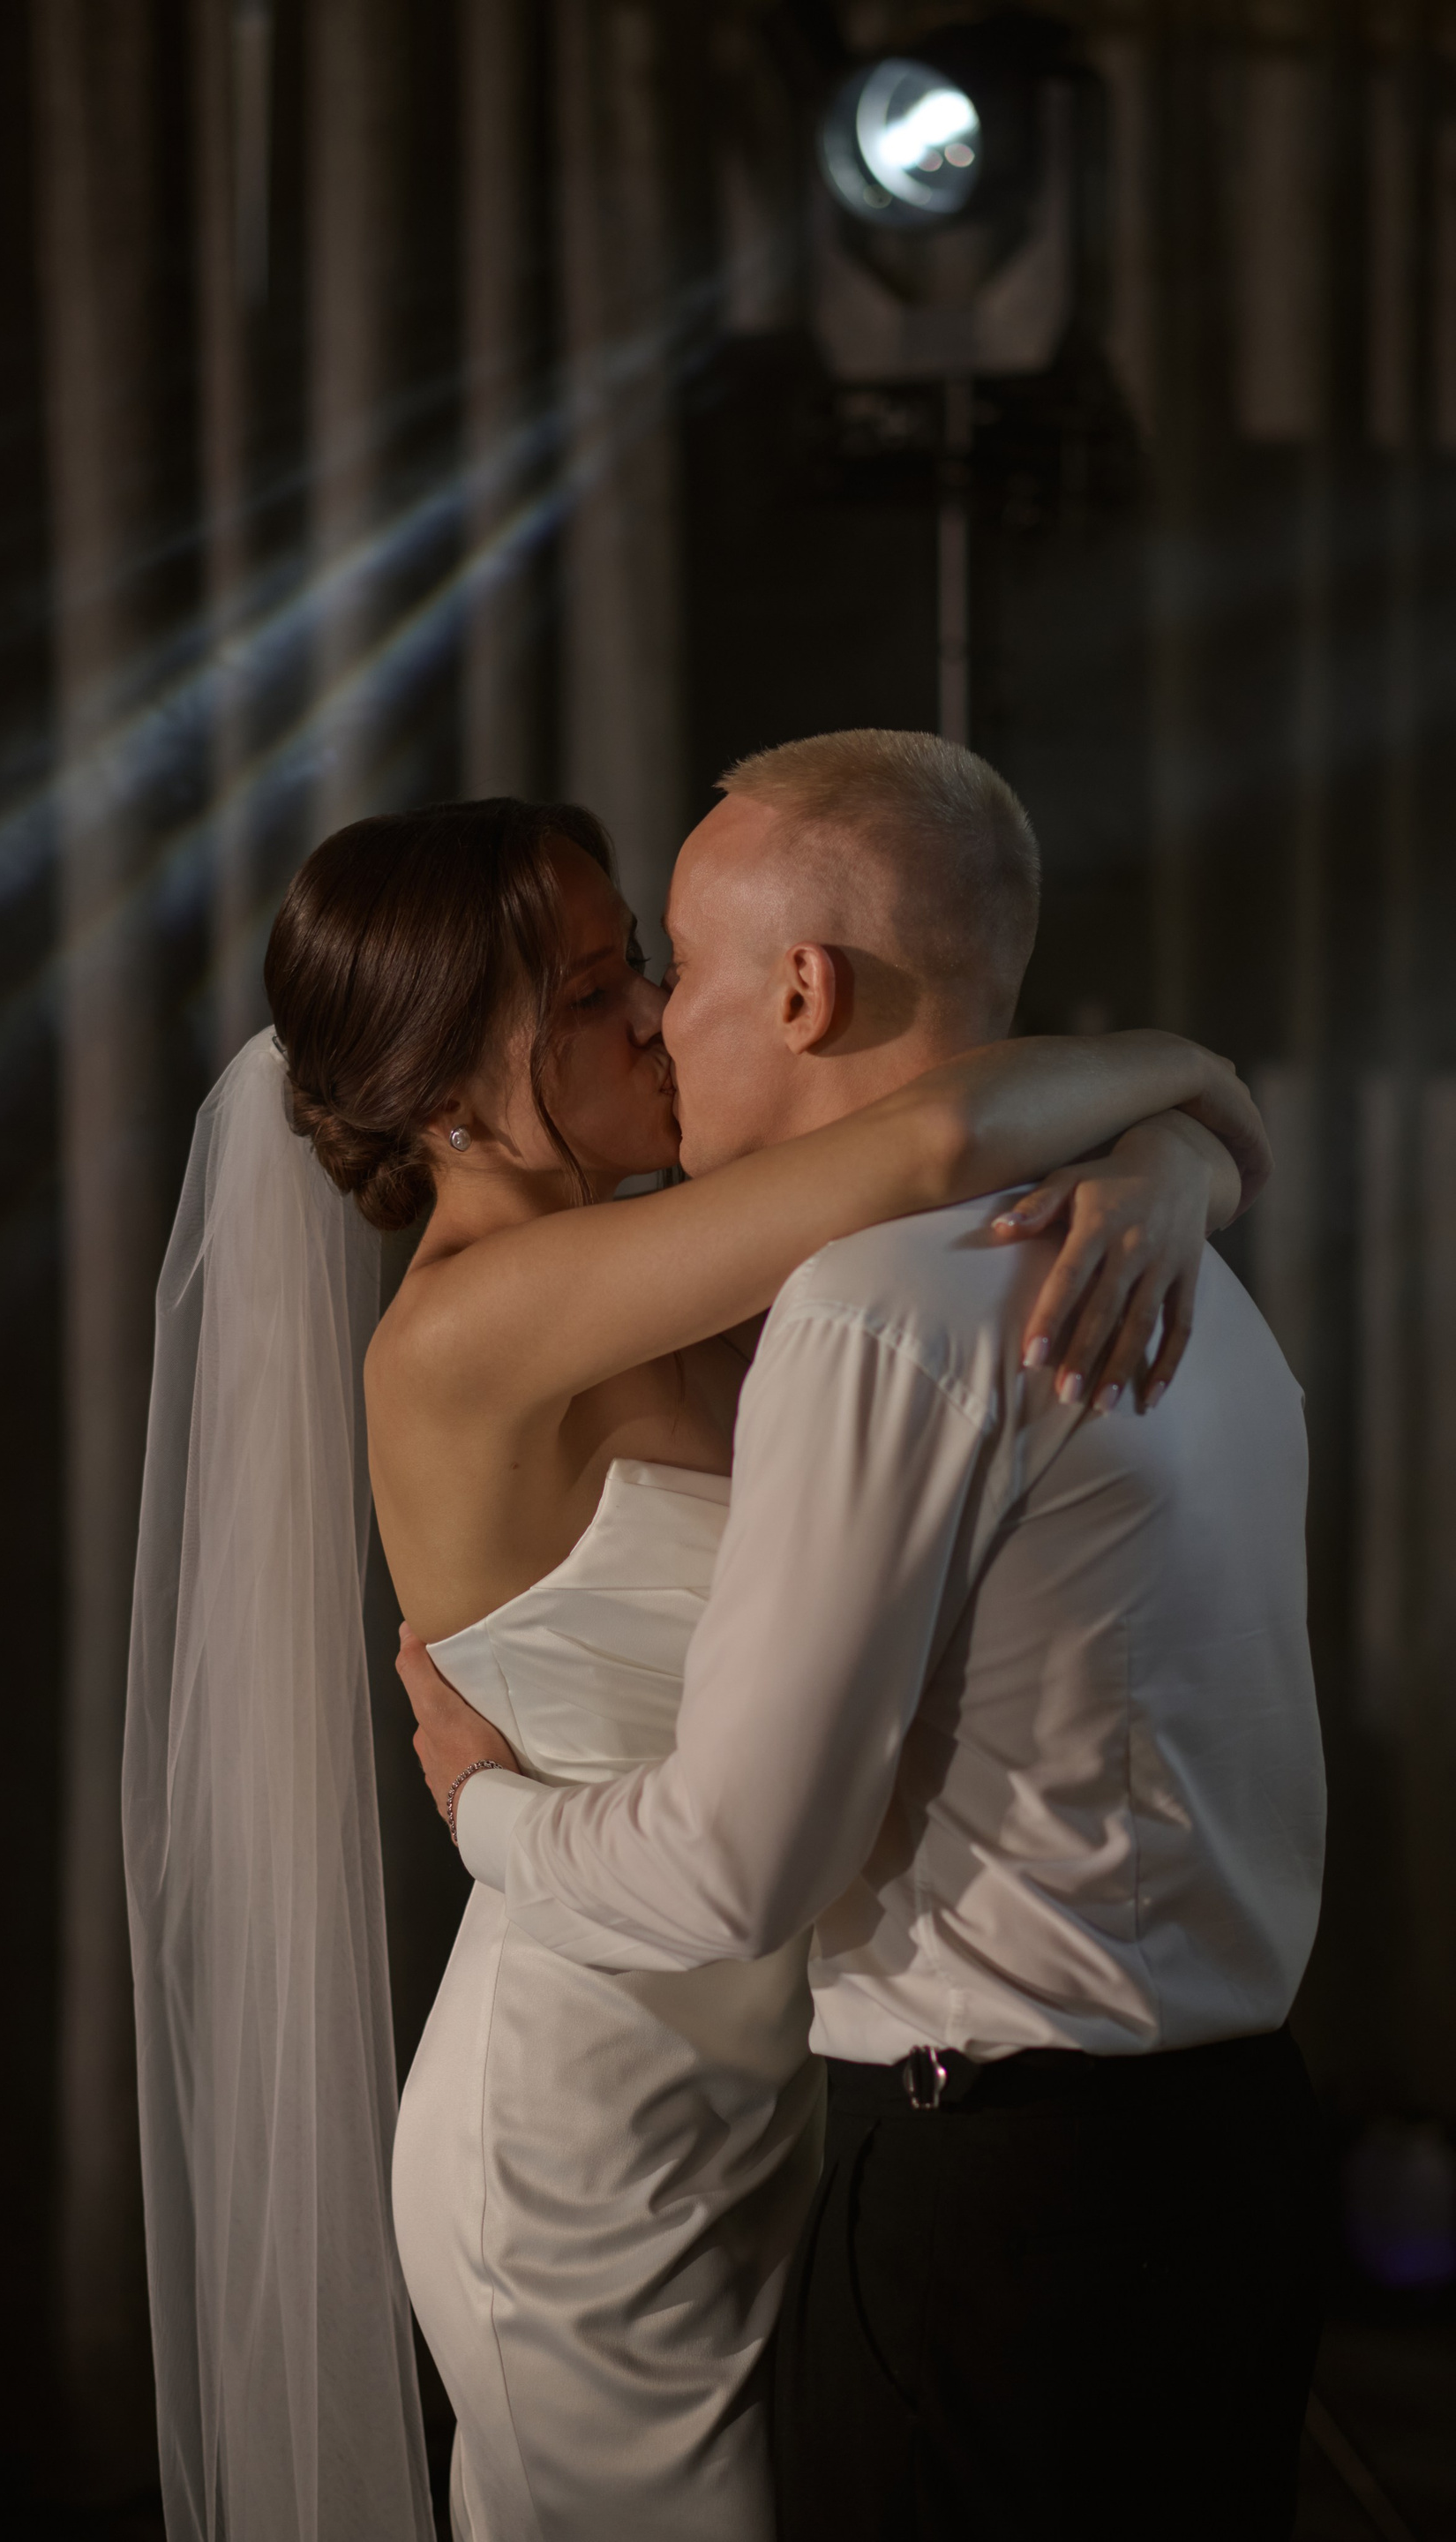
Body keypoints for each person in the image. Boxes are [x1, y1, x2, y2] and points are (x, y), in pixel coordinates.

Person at [253, 763, 1262, 2542]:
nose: (653, 1016)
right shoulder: (468, 1331)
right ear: (444, 1093)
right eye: (590, 992)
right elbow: (938, 1143)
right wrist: (1190, 1083)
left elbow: (949, 1149)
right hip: (583, 2119)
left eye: (639, 964)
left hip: (777, 2085)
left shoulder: (696, 1267)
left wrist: (1171, 1162)